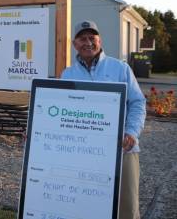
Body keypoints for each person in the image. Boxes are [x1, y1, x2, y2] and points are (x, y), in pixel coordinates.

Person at [61, 20, 146, 219]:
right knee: (89, 204)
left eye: (92, 38)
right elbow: (61, 111)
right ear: (75, 44)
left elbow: (138, 103)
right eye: (83, 39)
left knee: (127, 207)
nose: (88, 43)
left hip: (121, 149)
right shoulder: (68, 74)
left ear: (100, 40)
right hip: (84, 152)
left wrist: (131, 132)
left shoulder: (120, 68)